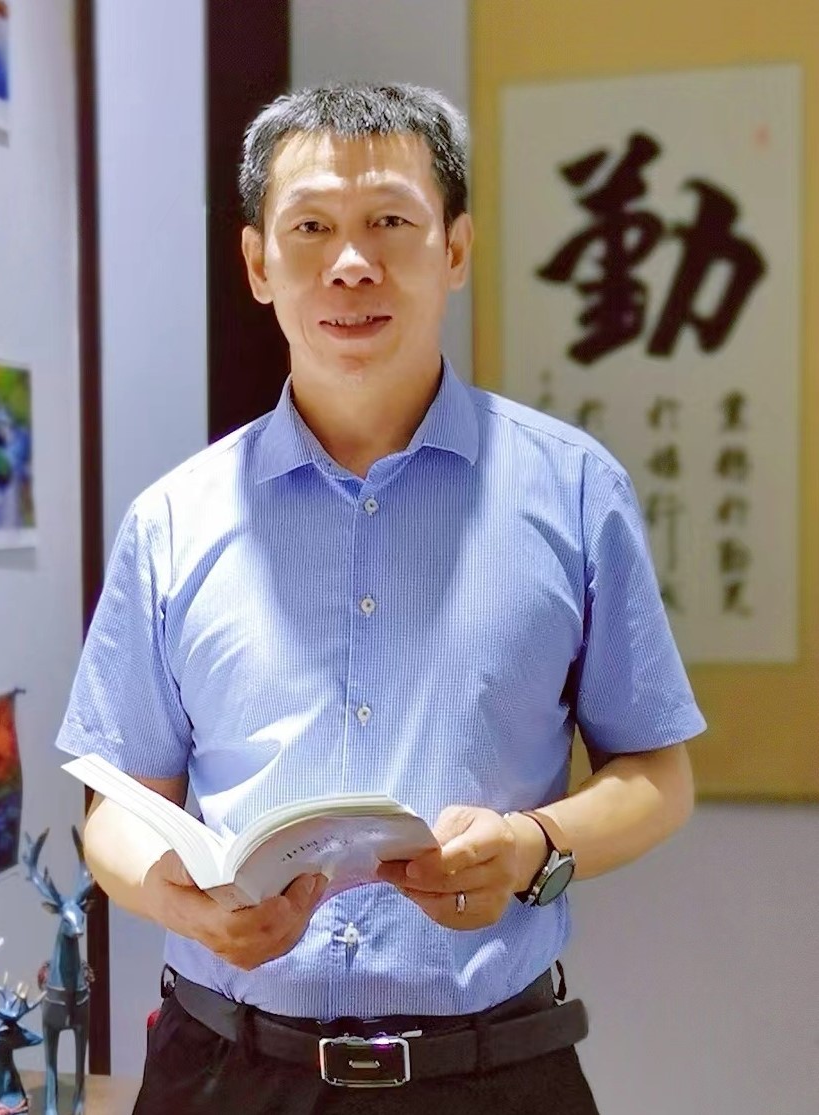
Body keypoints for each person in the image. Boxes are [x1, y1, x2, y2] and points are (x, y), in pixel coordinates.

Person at [55, 82, 705, 1113]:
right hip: (224, 1070)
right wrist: (175, 895)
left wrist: (533, 846)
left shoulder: (574, 490)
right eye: (311, 226)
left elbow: (657, 776)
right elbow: (116, 810)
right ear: (258, 263)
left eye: (390, 222)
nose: (350, 262)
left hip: (490, 1073)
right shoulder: (171, 520)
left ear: (455, 248)